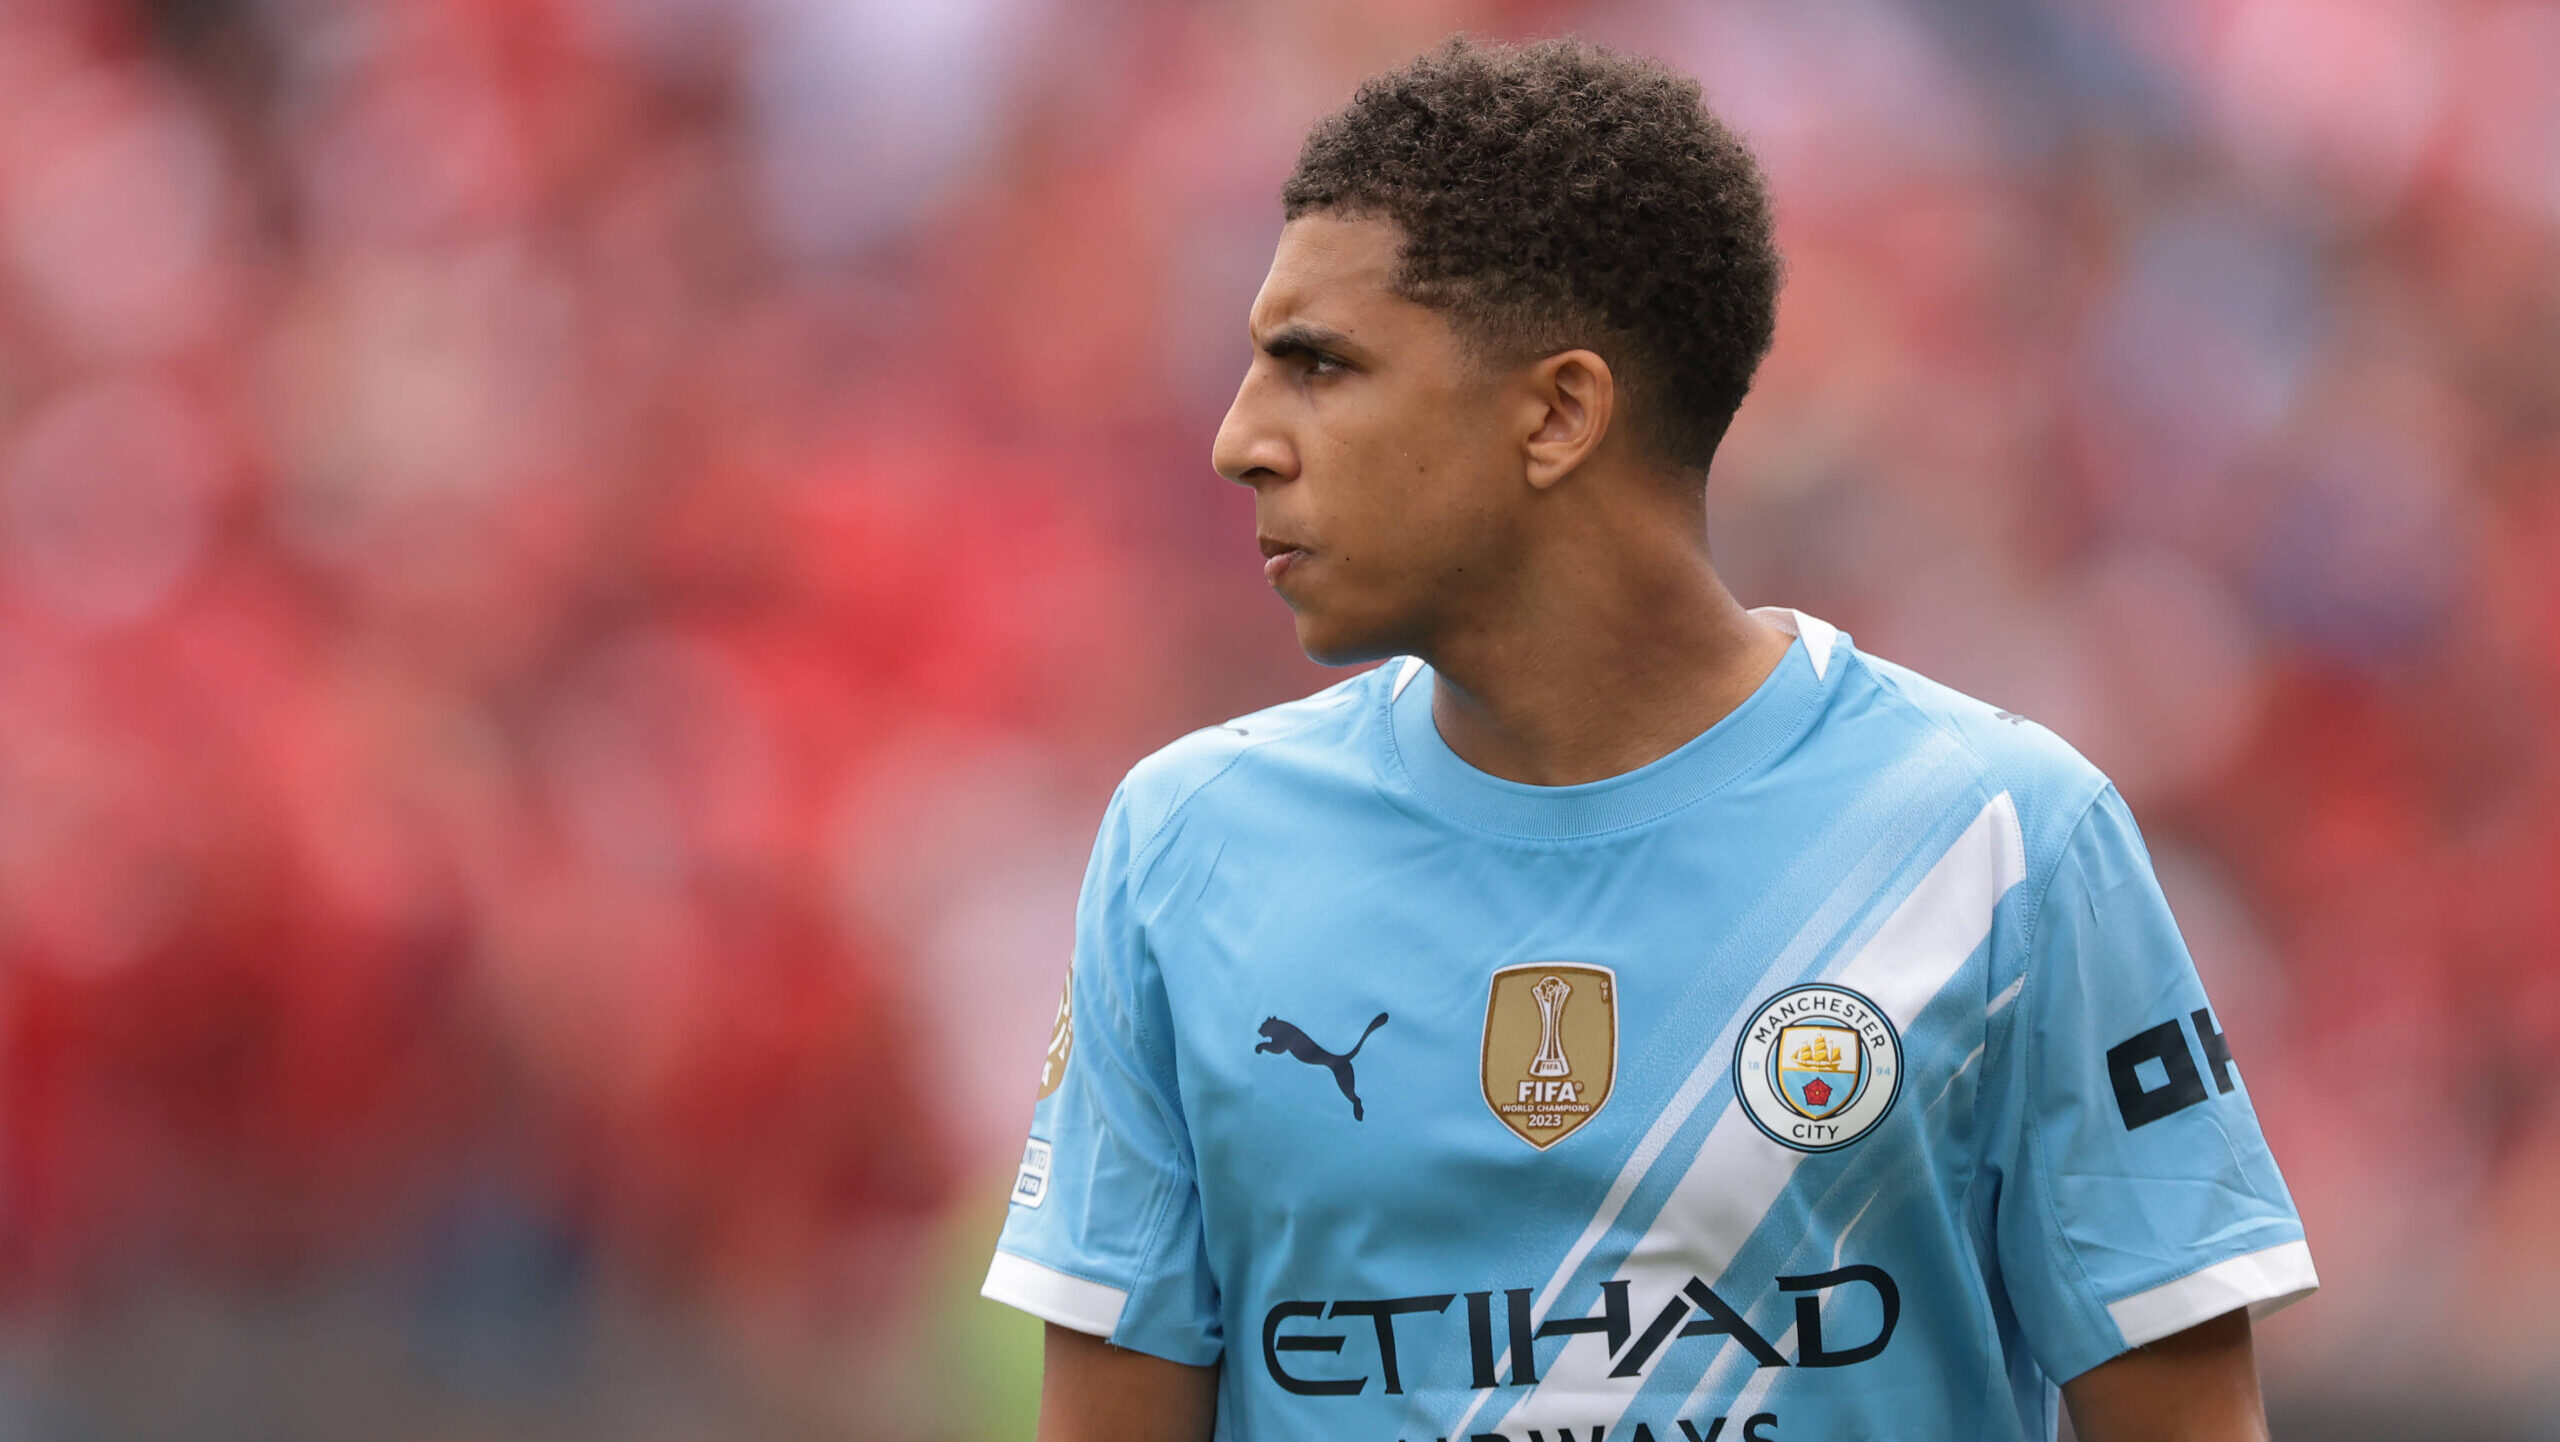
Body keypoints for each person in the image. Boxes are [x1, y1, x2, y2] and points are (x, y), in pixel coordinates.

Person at [982, 36, 2313, 1442]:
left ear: (1558, 411)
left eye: (1318, 366)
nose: (1241, 441)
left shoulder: (2002, 838)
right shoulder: (1184, 847)